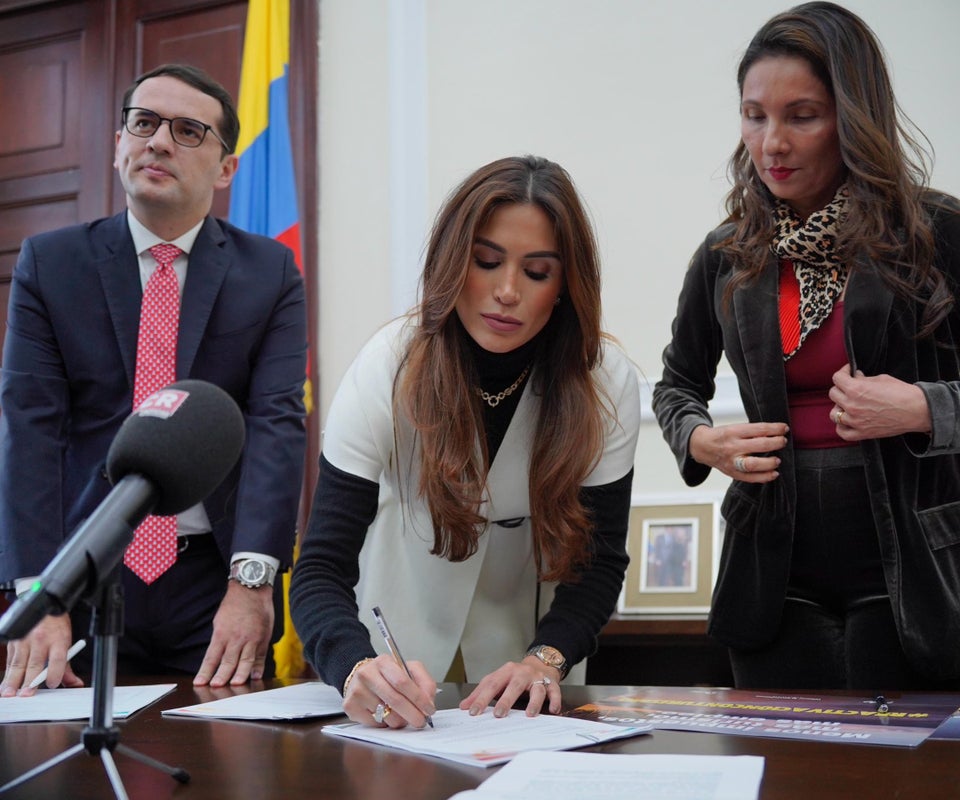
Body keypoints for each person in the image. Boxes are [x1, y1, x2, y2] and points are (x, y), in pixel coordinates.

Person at [653, 1, 960, 690]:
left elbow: (935, 406)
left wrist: (920, 407)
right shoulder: (727, 255)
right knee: (780, 774)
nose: (772, 144)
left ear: (854, 116)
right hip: (770, 575)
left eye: (802, 115)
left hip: (913, 575)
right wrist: (701, 441)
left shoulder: (937, 232)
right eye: (754, 114)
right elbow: (676, 387)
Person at [290, 155, 640, 727]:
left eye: (536, 272)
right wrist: (352, 666)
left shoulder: (606, 382)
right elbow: (320, 566)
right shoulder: (388, 364)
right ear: (453, 260)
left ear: (565, 287)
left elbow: (599, 564)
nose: (506, 291)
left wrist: (546, 658)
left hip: (526, 675)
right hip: (395, 660)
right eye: (486, 262)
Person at [0, 64, 307, 695]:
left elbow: (276, 422)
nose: (158, 141)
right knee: (61, 775)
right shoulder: (50, 264)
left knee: (227, 770)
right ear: (119, 144)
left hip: (212, 585)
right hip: (75, 579)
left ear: (226, 169)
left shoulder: (270, 272)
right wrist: (36, 591)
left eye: (189, 130)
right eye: (143, 123)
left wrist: (251, 586)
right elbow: (29, 429)